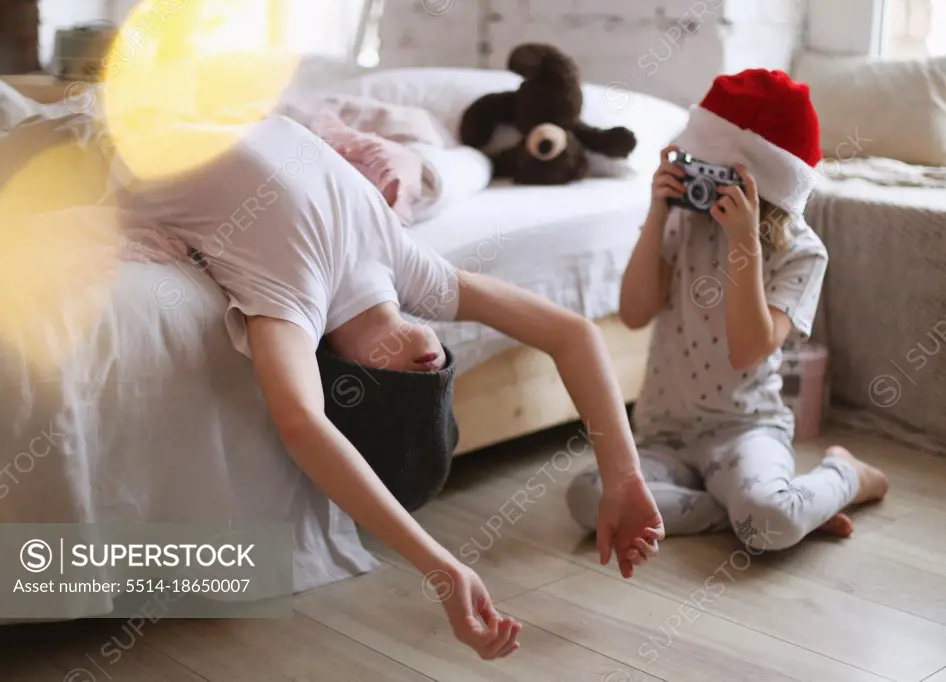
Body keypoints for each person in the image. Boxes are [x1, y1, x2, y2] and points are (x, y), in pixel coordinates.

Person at [115, 114, 665, 660]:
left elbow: (303, 423)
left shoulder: (291, 304)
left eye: (411, 392)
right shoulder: (409, 269)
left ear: (354, 378)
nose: (433, 370)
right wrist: (623, 475)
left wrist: (441, 569)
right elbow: (570, 333)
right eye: (438, 384)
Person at [567, 69, 889, 552]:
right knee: (587, 497)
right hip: (664, 430)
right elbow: (633, 313)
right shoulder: (685, 219)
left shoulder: (802, 252)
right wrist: (657, 213)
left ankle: (844, 476)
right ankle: (758, 511)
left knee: (769, 517)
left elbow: (748, 351)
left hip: (745, 429)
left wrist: (744, 244)